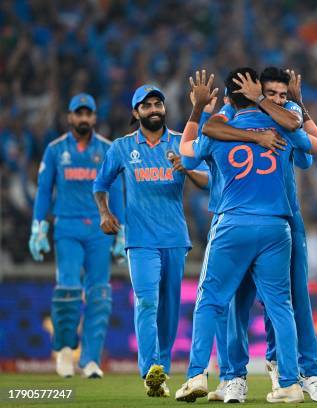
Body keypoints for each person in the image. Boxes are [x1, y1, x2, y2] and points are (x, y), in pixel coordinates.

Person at [175, 67, 311, 404]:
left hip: (233, 224)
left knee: (211, 301)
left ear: (228, 99)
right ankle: (290, 384)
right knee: (281, 306)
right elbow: (307, 145)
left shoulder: (221, 130)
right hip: (277, 227)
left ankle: (196, 376)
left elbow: (187, 153)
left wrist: (198, 109)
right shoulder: (280, 123)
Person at [205, 67, 317, 403]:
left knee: (291, 301)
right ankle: (234, 376)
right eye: (272, 93)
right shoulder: (237, 112)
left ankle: (300, 371)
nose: (279, 100)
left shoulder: (286, 115)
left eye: (283, 95)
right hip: (241, 216)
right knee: (238, 303)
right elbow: (207, 131)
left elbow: (316, 148)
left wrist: (298, 104)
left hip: (286, 220)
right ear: (256, 92)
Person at [93, 84, 210, 397]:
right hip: (141, 240)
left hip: (174, 238)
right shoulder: (121, 147)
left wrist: (186, 169)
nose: (155, 109)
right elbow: (100, 183)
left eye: (158, 104)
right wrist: (104, 213)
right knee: (146, 301)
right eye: (147, 106)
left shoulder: (180, 143)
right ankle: (150, 370)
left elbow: (207, 183)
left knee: (169, 310)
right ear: (136, 113)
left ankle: (163, 370)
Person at [29, 93, 124, 379]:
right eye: (78, 114)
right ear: (70, 117)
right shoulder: (56, 150)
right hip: (67, 227)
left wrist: (123, 231)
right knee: (67, 291)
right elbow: (45, 190)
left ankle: (91, 360)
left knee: (99, 294)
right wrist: (38, 226)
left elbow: (116, 190)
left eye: (88, 114)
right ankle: (65, 352)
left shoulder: (108, 149)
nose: (83, 118)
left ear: (94, 117)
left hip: (99, 228)